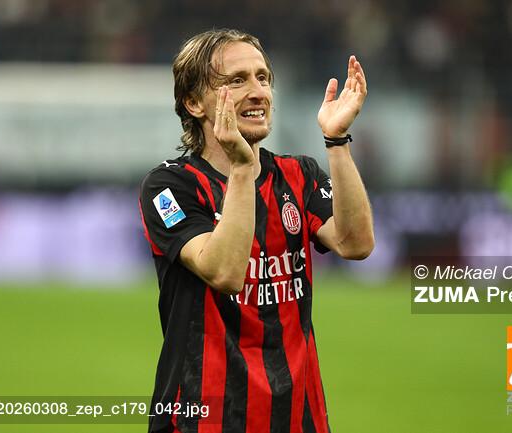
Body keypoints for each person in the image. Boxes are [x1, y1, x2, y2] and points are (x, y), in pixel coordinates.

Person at [139, 28, 374, 433]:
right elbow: (225, 272)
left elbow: (356, 244)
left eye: (262, 77)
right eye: (236, 80)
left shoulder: (298, 175)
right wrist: (243, 168)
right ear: (194, 103)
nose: (257, 92)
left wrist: (336, 141)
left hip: (298, 417)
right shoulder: (171, 187)